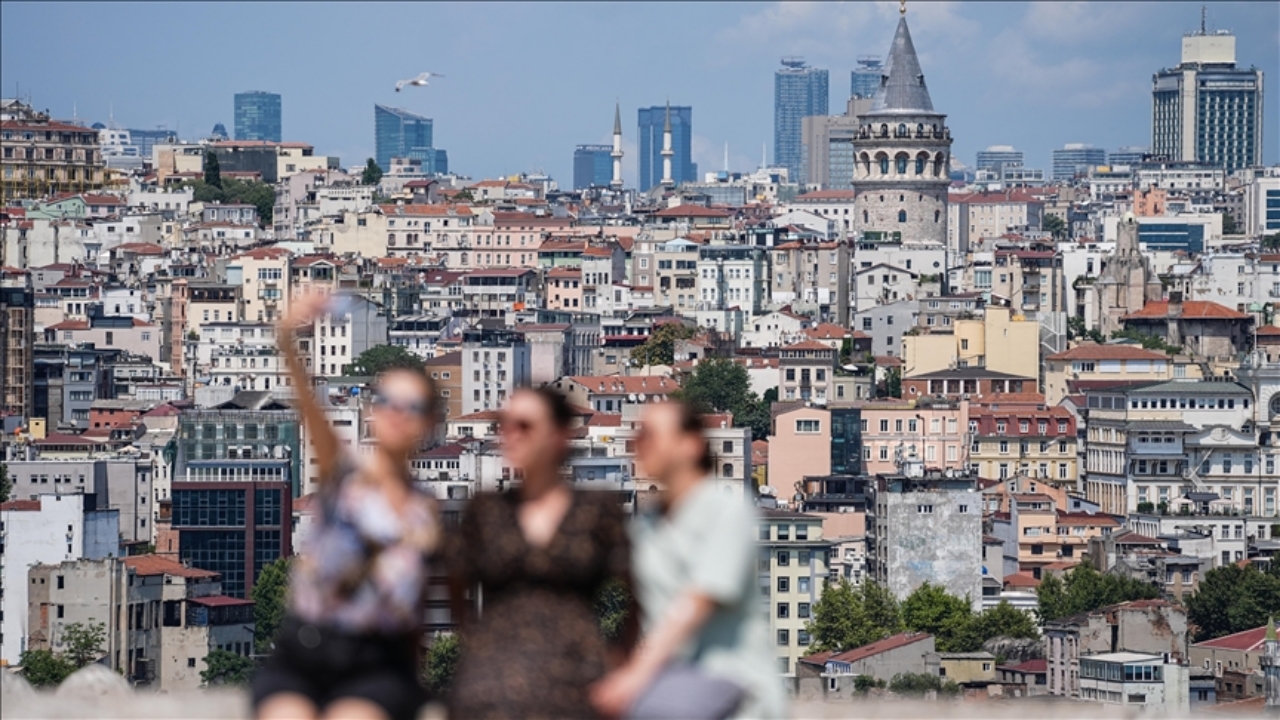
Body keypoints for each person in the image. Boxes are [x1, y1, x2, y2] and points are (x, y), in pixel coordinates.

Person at [253, 291, 440, 720]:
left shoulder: (425, 509)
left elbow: (417, 606)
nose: (396, 413)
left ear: (428, 421)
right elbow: (311, 410)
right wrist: (287, 338)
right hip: (306, 648)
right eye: (386, 400)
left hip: (377, 661)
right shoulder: (345, 473)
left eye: (411, 406)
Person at [446, 386, 635, 719]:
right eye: (505, 425)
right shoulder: (486, 509)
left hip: (576, 680)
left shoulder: (596, 509)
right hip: (492, 681)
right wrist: (475, 646)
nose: (510, 435)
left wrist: (621, 666)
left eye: (525, 426)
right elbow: (455, 585)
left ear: (558, 435)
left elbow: (635, 591)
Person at [592, 400, 788, 720]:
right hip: (671, 680)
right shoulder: (645, 526)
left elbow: (697, 603)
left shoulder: (727, 510)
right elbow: (638, 614)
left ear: (690, 445)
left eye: (650, 436)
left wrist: (636, 677)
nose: (638, 446)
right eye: (637, 437)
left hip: (728, 677)